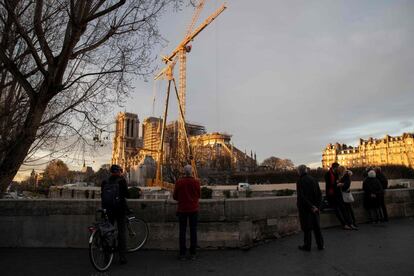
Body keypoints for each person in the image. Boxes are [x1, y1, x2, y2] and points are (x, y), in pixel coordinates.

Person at [101, 164, 129, 264]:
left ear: (110, 172)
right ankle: (122, 257)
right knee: (121, 233)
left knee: (108, 232)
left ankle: (106, 257)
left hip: (108, 210)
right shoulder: (122, 181)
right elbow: (127, 194)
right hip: (120, 210)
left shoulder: (104, 182)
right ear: (118, 172)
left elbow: (102, 196)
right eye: (120, 171)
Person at [173, 164, 201, 260]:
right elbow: (199, 195)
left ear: (184, 172)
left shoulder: (179, 182)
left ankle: (182, 254)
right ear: (192, 172)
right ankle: (193, 253)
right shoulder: (196, 182)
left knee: (182, 231)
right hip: (193, 209)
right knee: (193, 231)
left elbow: (175, 196)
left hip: (182, 209)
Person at [296, 164, 324, 251]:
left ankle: (307, 246)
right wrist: (317, 207)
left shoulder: (300, 181)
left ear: (299, 171)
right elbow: (319, 194)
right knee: (317, 227)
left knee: (307, 228)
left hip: (305, 208)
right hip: (315, 208)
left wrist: (311, 206)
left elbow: (302, 196)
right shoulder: (314, 179)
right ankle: (320, 245)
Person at [324, 162, 352, 230]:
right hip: (331, 195)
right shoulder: (327, 174)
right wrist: (337, 184)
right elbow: (329, 185)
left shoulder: (336, 173)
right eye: (337, 168)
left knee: (343, 208)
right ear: (335, 167)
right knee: (337, 209)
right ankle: (344, 224)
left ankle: (348, 223)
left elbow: (343, 175)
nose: (338, 169)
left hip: (337, 194)